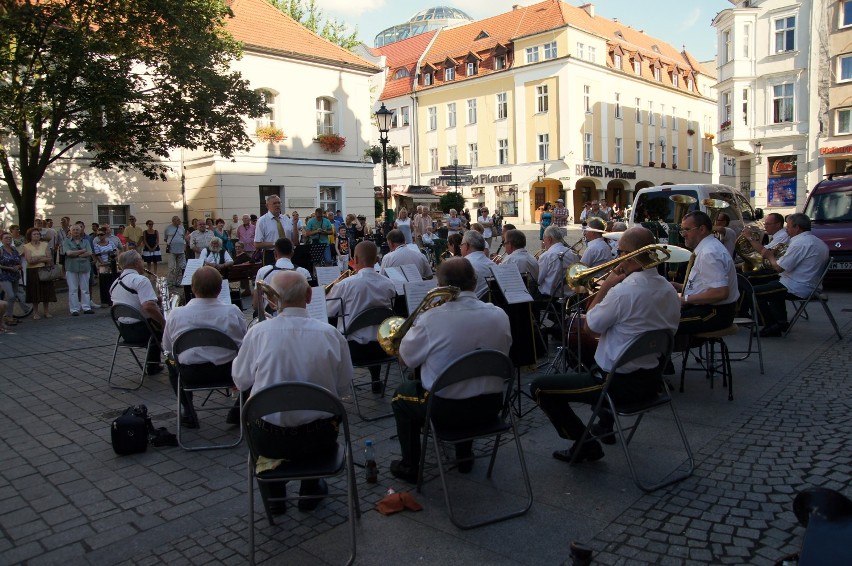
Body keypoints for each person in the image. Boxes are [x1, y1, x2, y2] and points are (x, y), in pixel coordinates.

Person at [530, 227, 680, 463]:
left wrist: (607, 287)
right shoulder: (668, 290)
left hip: (617, 385)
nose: (615, 258)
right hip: (652, 380)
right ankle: (604, 422)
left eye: (618, 252)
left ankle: (585, 444)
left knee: (540, 387)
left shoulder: (622, 292)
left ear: (628, 255)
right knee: (598, 357)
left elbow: (589, 327)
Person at [232, 270, 353, 512]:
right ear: (309, 295)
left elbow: (241, 380)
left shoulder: (257, 333)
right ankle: (310, 488)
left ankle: (273, 489)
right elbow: (343, 386)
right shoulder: (331, 334)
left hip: (269, 439)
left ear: (272, 300)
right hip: (319, 439)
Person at [389, 258, 512, 482]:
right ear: (474, 283)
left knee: (401, 395)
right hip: (491, 406)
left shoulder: (430, 319)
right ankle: (464, 455)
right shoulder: (499, 315)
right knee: (468, 382)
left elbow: (405, 359)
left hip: (446, 412)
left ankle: (410, 466)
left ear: (441, 285)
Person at [162, 266, 247, 428]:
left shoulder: (176, 314)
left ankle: (188, 411)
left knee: (171, 364)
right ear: (220, 288)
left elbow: (167, 348)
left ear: (192, 288)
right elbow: (246, 345)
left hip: (190, 374)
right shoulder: (232, 311)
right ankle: (238, 411)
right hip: (229, 373)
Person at [327, 241, 396, 393]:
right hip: (383, 348)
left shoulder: (345, 285)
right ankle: (376, 379)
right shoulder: (389, 284)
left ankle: (335, 387)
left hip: (353, 350)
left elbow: (329, 312)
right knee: (375, 328)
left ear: (355, 259)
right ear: (377, 260)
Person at [750, 213, 829, 337]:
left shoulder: (799, 243)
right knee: (771, 285)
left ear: (797, 227)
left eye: (789, 226)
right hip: (809, 285)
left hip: (797, 287)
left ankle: (771, 326)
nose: (786, 229)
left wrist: (770, 256)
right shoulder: (819, 242)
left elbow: (779, 268)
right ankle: (781, 322)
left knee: (753, 292)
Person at [673, 211, 739, 336]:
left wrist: (685, 299)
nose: (683, 234)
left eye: (687, 229)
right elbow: (707, 285)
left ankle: (661, 354)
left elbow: (720, 293)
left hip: (715, 313)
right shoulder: (707, 247)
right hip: (712, 309)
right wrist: (682, 286)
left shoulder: (709, 253)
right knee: (660, 316)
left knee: (658, 323)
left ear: (702, 229)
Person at [110, 250, 164, 374]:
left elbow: (131, 301)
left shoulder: (114, 283)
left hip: (124, 332)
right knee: (171, 330)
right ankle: (177, 367)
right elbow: (149, 307)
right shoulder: (141, 280)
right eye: (141, 260)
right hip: (144, 332)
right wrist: (164, 323)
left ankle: (153, 365)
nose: (143, 263)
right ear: (136, 263)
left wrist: (157, 300)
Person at [254, 238, 312, 314]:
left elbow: (256, 304)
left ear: (275, 253)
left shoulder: (263, 271)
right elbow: (310, 301)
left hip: (270, 318)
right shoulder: (304, 272)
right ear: (292, 253)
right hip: (298, 317)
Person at [22, 228, 58, 320]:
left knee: (46, 291)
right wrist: (42, 257)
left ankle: (46, 311)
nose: (37, 236)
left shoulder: (45, 244)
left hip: (44, 269)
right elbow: (29, 260)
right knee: (35, 292)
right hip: (32, 271)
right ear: (30, 236)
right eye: (34, 234)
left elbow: (49, 258)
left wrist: (37, 258)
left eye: (38, 234)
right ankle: (36, 312)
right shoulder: (26, 246)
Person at [537, 226, 579, 298]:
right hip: (572, 297)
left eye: (544, 240)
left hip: (551, 297)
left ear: (549, 239)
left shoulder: (546, 256)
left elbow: (538, 280)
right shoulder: (573, 253)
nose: (544, 243)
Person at [63, 224, 94, 316]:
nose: (76, 231)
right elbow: (68, 253)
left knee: (85, 289)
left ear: (80, 231)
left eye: (77, 230)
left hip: (85, 267)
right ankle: (74, 309)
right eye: (74, 230)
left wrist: (75, 254)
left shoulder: (86, 241)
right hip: (71, 267)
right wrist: (82, 251)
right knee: (73, 289)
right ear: (71, 231)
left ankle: (86, 307)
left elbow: (89, 252)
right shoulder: (67, 242)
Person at [0, 231, 31, 323]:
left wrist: (19, 266)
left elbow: (19, 260)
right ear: (1, 240)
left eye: (10, 238)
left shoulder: (14, 249)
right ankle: (6, 316)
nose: (8, 239)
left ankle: (9, 316)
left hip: (15, 275)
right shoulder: (1, 250)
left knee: (13, 297)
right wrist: (9, 268)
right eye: (6, 238)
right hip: (4, 275)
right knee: (11, 295)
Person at [255, 195, 293, 265]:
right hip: (271, 254)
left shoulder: (286, 219)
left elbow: (294, 240)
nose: (277, 205)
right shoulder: (262, 221)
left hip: (287, 255)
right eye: (274, 203)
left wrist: (296, 225)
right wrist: (276, 243)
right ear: (267, 206)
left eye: (279, 203)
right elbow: (257, 244)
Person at [460, 230, 495, 298]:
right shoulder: (493, 265)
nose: (460, 247)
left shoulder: (463, 264)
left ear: (466, 246)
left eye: (461, 245)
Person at [163, 216, 187, 288]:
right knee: (171, 267)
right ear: (173, 221)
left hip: (181, 250)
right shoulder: (168, 228)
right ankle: (170, 283)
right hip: (172, 251)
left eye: (179, 219)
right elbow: (165, 238)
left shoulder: (182, 228)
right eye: (177, 220)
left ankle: (178, 282)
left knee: (180, 267)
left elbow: (183, 238)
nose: (179, 221)